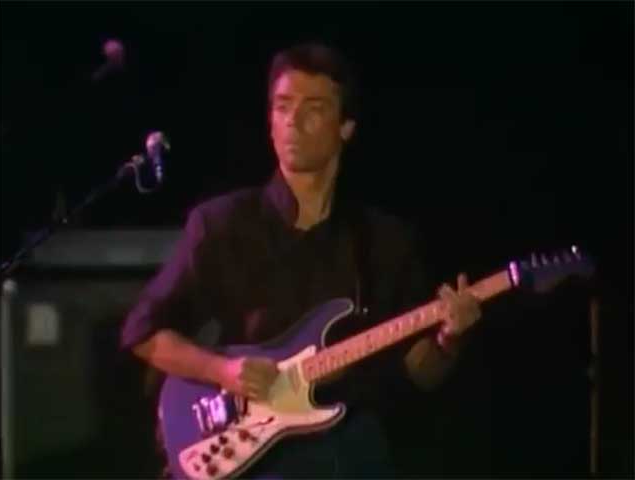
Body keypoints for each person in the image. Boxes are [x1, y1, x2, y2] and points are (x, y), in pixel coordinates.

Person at [120, 42, 482, 479]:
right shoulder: (220, 223)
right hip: (249, 452)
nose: (293, 119)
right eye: (282, 106)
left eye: (314, 108)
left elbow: (419, 374)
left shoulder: (386, 240)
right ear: (270, 123)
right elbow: (142, 332)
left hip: (350, 452)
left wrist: (448, 341)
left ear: (345, 127)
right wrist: (222, 370)